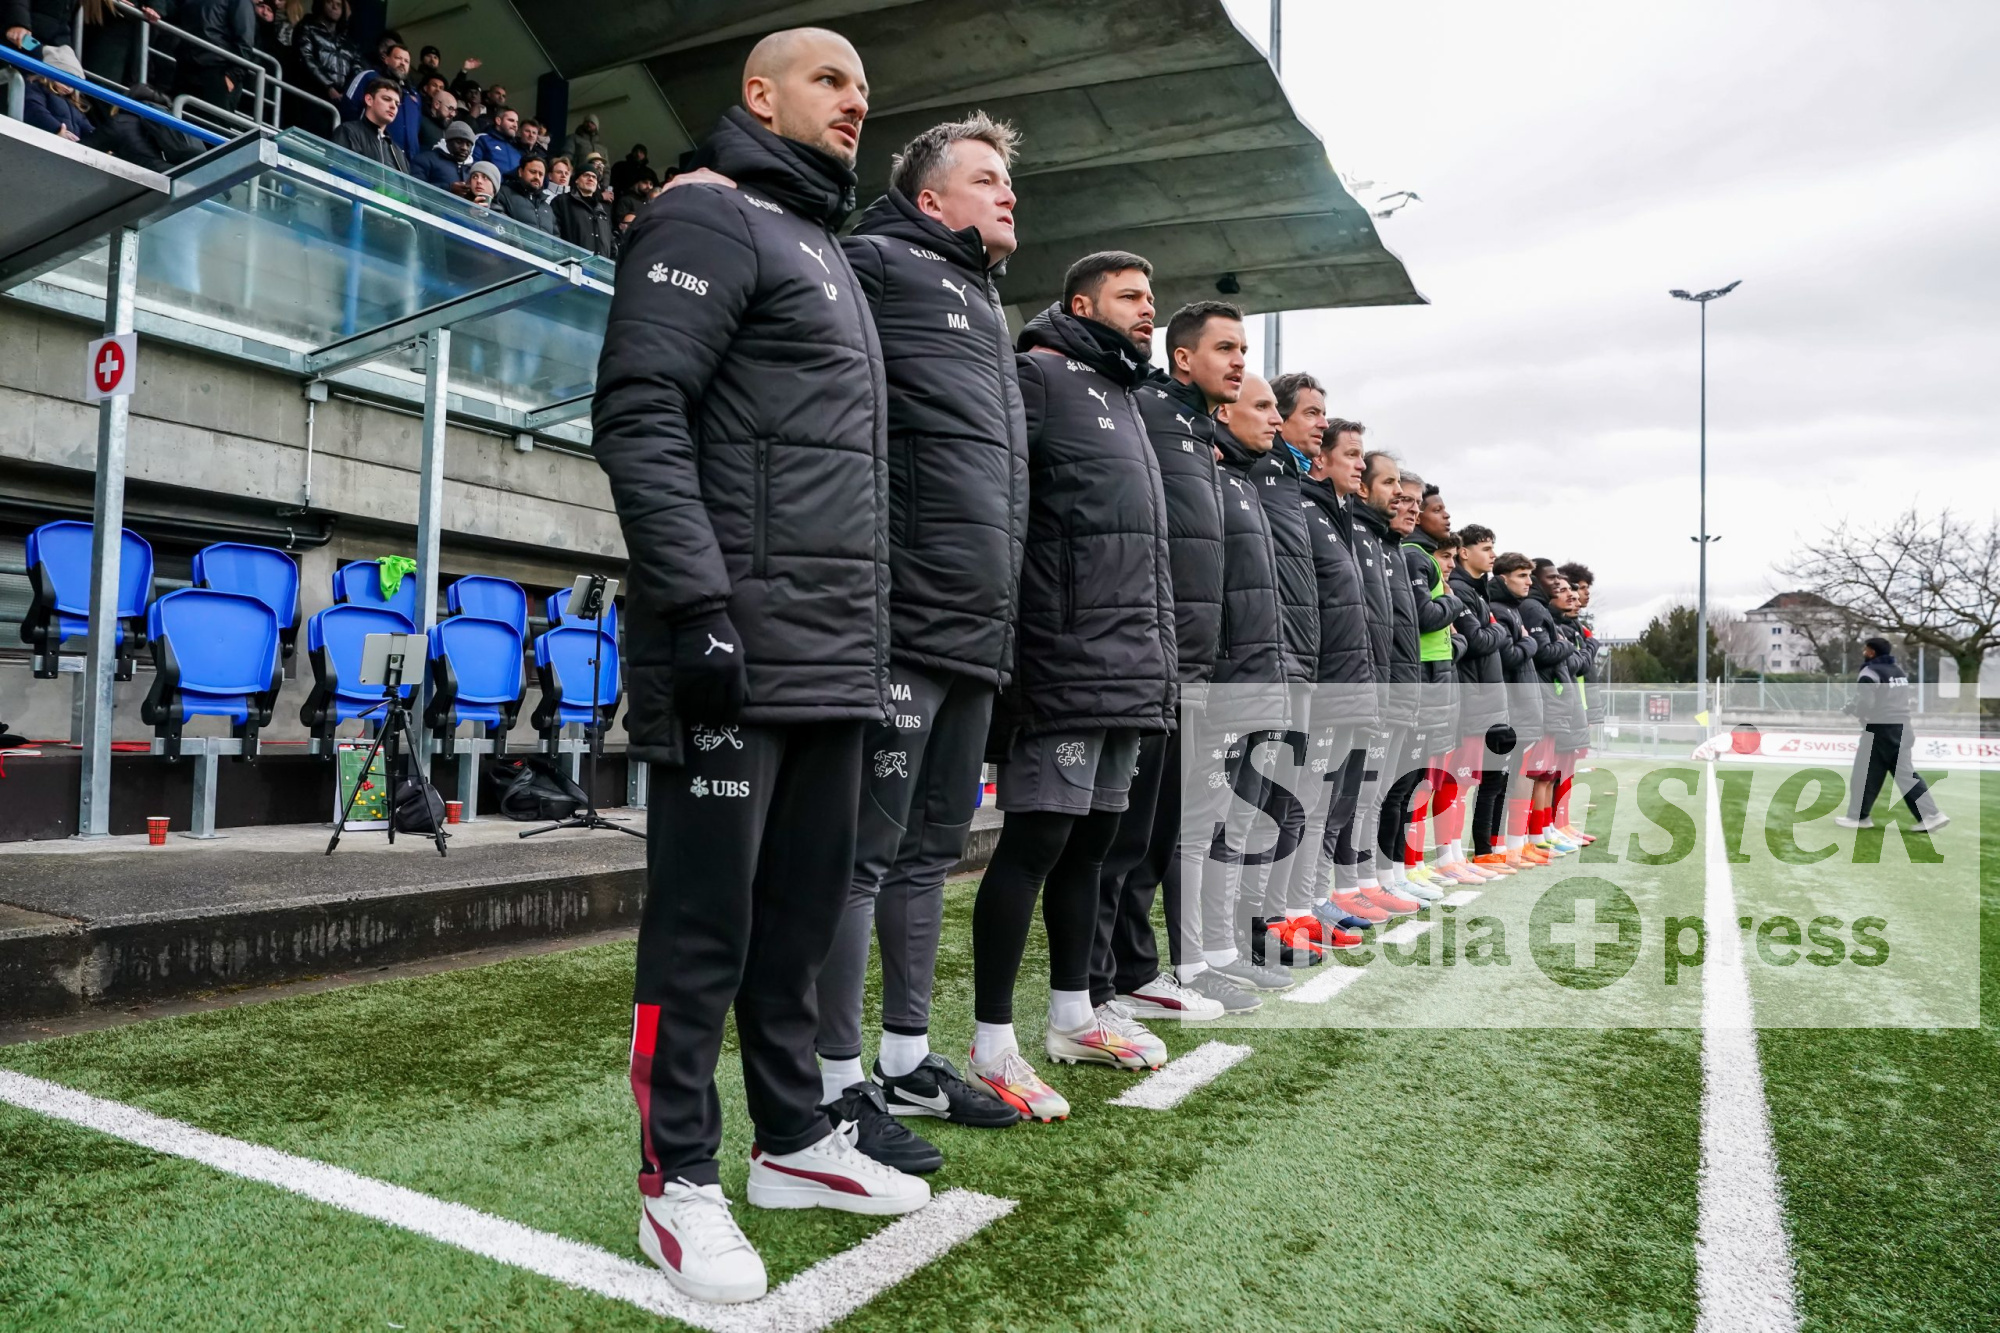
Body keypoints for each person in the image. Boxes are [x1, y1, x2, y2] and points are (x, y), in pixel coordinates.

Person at [593, 26, 923, 1306]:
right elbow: (639, 413)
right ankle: (674, 1179)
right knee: (703, 932)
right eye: (829, 79)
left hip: (833, 654)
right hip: (733, 646)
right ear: (760, 94)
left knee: (794, 924)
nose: (855, 100)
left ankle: (792, 1141)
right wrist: (697, 604)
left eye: (862, 85)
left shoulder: (820, 245)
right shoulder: (709, 217)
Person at [778, 113, 1032, 1152]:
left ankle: (903, 1060)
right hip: (899, 619)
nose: (1008, 193)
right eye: (986, 179)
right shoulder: (877, 264)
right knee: (862, 857)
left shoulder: (985, 301)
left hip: (975, 628)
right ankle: (836, 1082)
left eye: (1008, 180)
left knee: (932, 852)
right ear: (931, 199)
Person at [969, 250, 1176, 1121]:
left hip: (1128, 665)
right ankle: (990, 1043)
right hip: (1063, 658)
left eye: (1151, 297)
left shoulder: (1126, 396)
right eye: (1130, 296)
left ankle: (1073, 1017)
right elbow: (1002, 511)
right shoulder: (1040, 377)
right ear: (1082, 304)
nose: (1148, 309)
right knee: (1035, 844)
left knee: (1093, 847)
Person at [1094, 303, 1235, 1021]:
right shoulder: (1147, 410)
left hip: (1194, 663)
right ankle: (1101, 984)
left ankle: (1134, 972)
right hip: (1150, 655)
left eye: (1243, 349)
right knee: (1122, 833)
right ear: (1183, 357)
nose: (1238, 361)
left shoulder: (1199, 431)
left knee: (1157, 832)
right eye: (1225, 348)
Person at [1295, 413, 1383, 942]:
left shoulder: (1339, 515)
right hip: (1327, 685)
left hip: (1354, 686)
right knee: (1311, 804)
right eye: (1351, 455)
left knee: (1336, 805)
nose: (1360, 466)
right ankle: (1301, 904)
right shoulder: (1307, 511)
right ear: (1321, 458)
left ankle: (1317, 897)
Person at [1447, 524, 1519, 875]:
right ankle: (1454, 857)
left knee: (1490, 780)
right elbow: (1478, 640)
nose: (1493, 554)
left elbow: (1490, 637)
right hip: (1473, 702)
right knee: (1460, 783)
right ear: (1465, 552)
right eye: (1486, 548)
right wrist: (1498, 629)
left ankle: (1483, 851)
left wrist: (1494, 629)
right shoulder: (1460, 589)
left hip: (1490, 702)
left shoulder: (1478, 592)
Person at [1836, 638, 1948, 831]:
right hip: (1904, 727)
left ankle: (1859, 817)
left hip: (1880, 730)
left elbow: (1867, 703)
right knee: (1902, 774)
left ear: (1871, 652)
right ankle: (1930, 815)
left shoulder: (1869, 672)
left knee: (1864, 773)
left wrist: (1854, 710)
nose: (1863, 652)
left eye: (1865, 649)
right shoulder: (1899, 671)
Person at [86, 81, 205, 170]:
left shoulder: (120, 123)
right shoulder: (168, 119)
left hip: (156, 180)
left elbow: (84, 150)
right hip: (185, 174)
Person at [329, 75, 409, 172]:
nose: (393, 106)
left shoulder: (398, 153)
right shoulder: (348, 132)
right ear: (369, 100)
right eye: (386, 99)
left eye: (397, 104)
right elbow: (340, 173)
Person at [292, 0, 359, 111]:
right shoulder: (307, 27)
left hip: (341, 102)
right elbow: (306, 58)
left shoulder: (349, 43)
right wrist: (328, 86)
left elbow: (357, 70)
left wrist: (348, 94)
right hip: (312, 96)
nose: (334, 7)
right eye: (329, 2)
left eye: (339, 4)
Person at [551, 164, 613, 254]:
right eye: (586, 175)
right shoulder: (562, 201)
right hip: (571, 261)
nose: (591, 179)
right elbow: (554, 233)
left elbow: (611, 243)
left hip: (600, 263)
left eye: (594, 177)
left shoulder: (602, 211)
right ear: (576, 180)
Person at [497, 156, 557, 232]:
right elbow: (498, 223)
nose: (537, 177)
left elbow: (556, 237)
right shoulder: (504, 193)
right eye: (533, 172)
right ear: (520, 172)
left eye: (541, 174)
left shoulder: (547, 208)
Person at [411, 116, 473, 189]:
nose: (464, 148)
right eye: (459, 142)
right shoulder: (425, 160)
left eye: (468, 145)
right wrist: (449, 188)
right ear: (447, 141)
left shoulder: (474, 170)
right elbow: (415, 188)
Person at [472, 106, 522, 176]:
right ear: (498, 121)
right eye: (511, 120)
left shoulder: (518, 146)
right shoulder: (483, 140)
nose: (515, 125)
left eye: (517, 122)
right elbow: (474, 166)